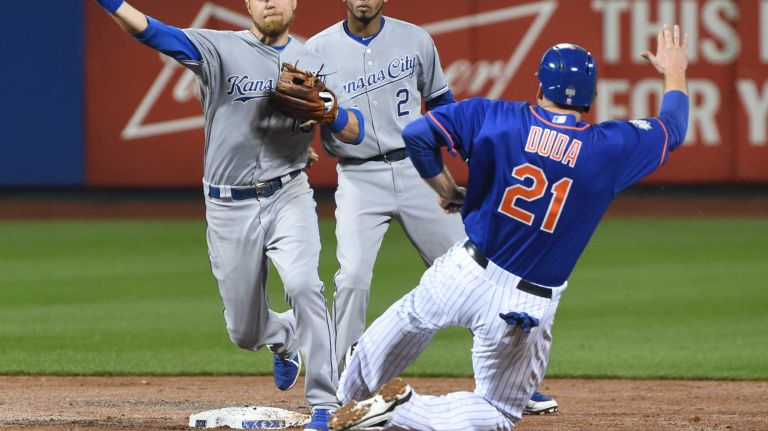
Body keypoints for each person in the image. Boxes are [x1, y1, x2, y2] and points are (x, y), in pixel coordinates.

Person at [328, 24, 690, 431]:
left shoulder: (493, 117)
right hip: (525, 305)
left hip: (466, 270)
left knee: (412, 317)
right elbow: (673, 128)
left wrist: (447, 188)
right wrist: (674, 71)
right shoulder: (610, 147)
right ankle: (402, 410)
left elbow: (417, 135)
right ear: (590, 97)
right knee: (498, 411)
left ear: (540, 87)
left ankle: (348, 400)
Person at [93, 1, 364, 430]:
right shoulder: (217, 48)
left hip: (288, 194)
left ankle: (324, 403)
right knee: (244, 332)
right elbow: (152, 32)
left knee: (304, 285)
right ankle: (283, 338)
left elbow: (356, 130)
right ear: (248, 5)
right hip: (227, 206)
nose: (270, 1)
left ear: (294, 2)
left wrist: (331, 112)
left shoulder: (316, 61)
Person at [305, 0, 558, 416]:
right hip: (357, 176)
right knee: (350, 277)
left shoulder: (415, 39)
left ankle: (509, 383)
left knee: (482, 273)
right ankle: (338, 388)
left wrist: (474, 161)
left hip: (414, 171)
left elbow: (443, 106)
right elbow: (303, 116)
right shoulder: (317, 50)